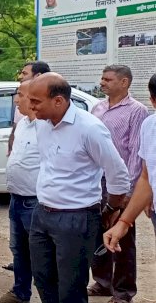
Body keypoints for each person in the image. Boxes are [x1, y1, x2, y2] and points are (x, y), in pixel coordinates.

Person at [26, 73, 130, 303]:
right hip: (42, 214)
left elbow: (118, 174)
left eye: (35, 101)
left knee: (71, 286)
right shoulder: (42, 124)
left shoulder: (90, 128)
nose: (31, 107)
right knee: (43, 278)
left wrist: (112, 209)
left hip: (76, 218)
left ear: (58, 101)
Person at [89, 65, 148, 303]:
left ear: (124, 83)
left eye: (108, 79)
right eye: (102, 78)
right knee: (97, 232)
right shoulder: (98, 108)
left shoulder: (137, 111)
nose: (102, 83)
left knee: (121, 237)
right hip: (95, 182)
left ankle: (123, 292)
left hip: (120, 184)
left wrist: (129, 192)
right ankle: (103, 283)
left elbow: (135, 153)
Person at [0, 80, 40, 303]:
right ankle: (20, 293)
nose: (16, 99)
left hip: (36, 201)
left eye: (20, 94)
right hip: (17, 198)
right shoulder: (23, 125)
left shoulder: (47, 127)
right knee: (19, 250)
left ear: (35, 98)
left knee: (40, 253)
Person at [104, 73, 156, 248]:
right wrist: (124, 222)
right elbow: (146, 177)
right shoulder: (149, 126)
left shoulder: (137, 111)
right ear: (154, 101)